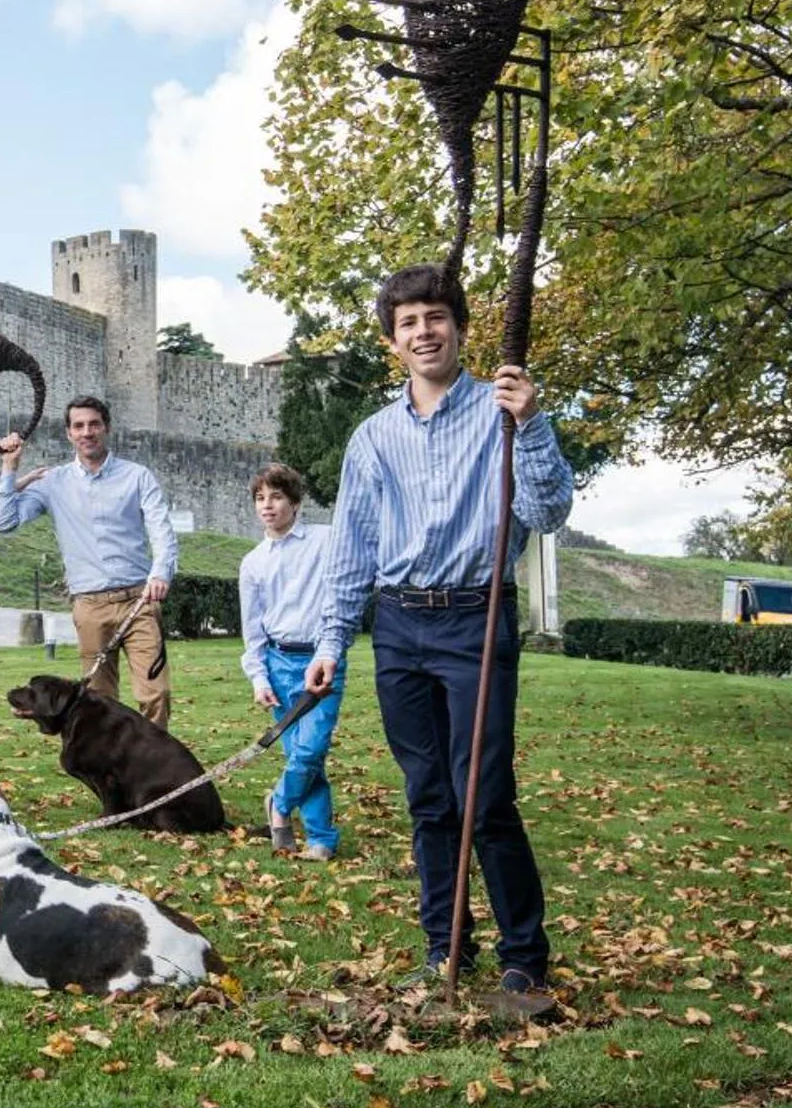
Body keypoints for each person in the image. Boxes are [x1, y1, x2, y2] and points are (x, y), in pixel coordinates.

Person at [305, 265, 574, 1004]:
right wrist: (332, 642)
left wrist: (531, 424)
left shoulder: (502, 409)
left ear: (457, 325)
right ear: (392, 342)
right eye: (407, 324)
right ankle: (443, 943)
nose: (422, 332)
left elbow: (548, 513)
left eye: (434, 318)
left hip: (474, 618)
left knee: (483, 797)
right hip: (398, 626)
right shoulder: (373, 437)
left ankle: (525, 956)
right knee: (427, 798)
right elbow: (351, 547)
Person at [0, 396, 180, 725]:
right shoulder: (53, 482)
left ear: (106, 428)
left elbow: (162, 530)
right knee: (99, 704)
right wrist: (9, 468)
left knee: (155, 694)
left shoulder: (137, 476)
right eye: (78, 426)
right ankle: (111, 772)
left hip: (139, 601)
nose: (87, 432)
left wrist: (161, 572)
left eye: (94, 424)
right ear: (68, 433)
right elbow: (4, 522)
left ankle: (154, 769)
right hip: (90, 606)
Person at [238, 463, 340, 861]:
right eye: (261, 498)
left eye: (276, 497)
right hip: (278, 663)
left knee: (311, 750)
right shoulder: (252, 563)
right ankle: (321, 839)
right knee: (299, 753)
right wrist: (258, 678)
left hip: (323, 658)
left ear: (295, 503)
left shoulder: (325, 540)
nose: (268, 505)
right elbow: (252, 630)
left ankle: (278, 806)